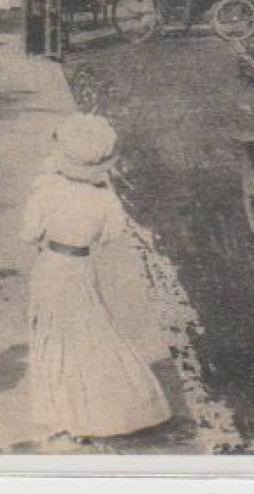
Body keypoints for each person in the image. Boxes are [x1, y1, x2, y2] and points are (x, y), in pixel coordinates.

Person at [20, 114, 171, 442]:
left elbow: (29, 233)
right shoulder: (104, 199)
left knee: (54, 333)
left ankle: (64, 408)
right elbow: (109, 234)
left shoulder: (45, 191)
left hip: (51, 265)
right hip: (82, 267)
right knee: (92, 325)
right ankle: (113, 402)